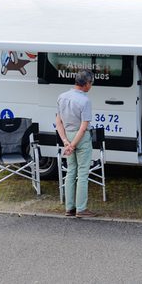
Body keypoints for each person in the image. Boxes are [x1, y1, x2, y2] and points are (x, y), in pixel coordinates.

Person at [56, 69, 96, 218]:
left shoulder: (62, 97)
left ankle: (69, 208)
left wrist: (66, 142)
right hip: (81, 137)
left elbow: (58, 121)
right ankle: (81, 208)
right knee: (83, 172)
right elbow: (84, 126)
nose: (91, 86)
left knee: (71, 171)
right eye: (91, 83)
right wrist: (74, 144)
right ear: (86, 84)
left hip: (67, 134)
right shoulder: (85, 100)